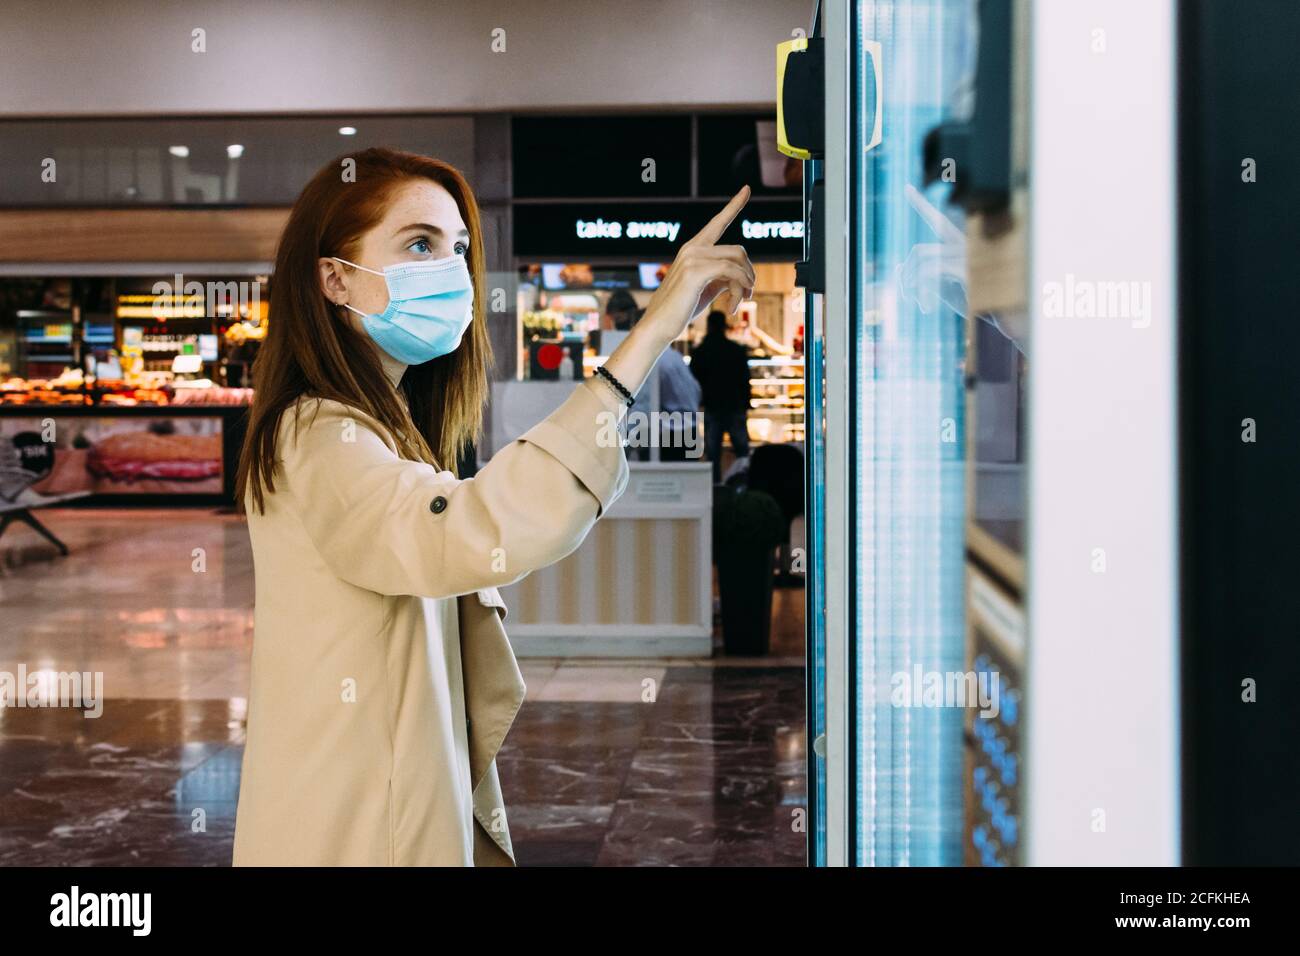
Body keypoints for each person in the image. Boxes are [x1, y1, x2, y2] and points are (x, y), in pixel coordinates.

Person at [231, 146, 752, 866]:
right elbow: (473, 529)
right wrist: (653, 331)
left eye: (459, 248)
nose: (450, 269)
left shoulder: (378, 426)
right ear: (336, 279)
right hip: (355, 829)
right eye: (420, 243)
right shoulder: (320, 434)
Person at [605, 293, 702, 461]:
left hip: (671, 436)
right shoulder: (671, 356)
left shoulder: (652, 360)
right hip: (686, 431)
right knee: (681, 483)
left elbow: (643, 405)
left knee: (662, 483)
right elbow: (696, 392)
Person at [690, 309, 753, 482]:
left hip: (712, 407)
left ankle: (715, 490)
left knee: (713, 454)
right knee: (742, 452)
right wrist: (747, 403)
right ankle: (743, 486)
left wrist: (698, 403)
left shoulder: (701, 352)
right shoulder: (736, 350)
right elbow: (745, 379)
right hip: (735, 405)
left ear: (709, 326)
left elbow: (694, 381)